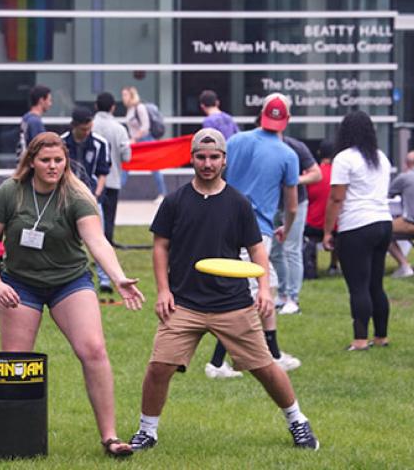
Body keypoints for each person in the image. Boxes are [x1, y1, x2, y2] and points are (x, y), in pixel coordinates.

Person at [128, 128, 319, 452]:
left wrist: (264, 290)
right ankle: (147, 431)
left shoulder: (238, 203)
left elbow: (257, 250)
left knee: (265, 368)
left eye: (214, 157)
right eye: (201, 157)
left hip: (232, 303)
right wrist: (163, 291)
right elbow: (160, 247)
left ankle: (298, 421)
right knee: (159, 367)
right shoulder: (175, 202)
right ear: (192, 159)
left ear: (224, 160)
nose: (207, 163)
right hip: (184, 302)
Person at [0, 132, 144, 458]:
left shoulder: (76, 194)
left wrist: (118, 276)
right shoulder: (11, 192)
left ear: (66, 161)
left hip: (69, 280)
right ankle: (12, 439)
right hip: (20, 283)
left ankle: (110, 438)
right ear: (32, 162)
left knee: (93, 349)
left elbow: (96, 240)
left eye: (58, 160)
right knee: (16, 363)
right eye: (45, 160)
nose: (53, 166)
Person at [205, 93, 301, 379]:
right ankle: (218, 362)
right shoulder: (287, 155)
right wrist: (287, 224)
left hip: (224, 223)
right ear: (288, 119)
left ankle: (272, 353)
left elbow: (214, 176)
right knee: (249, 294)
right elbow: (293, 204)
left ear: (261, 114)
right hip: (257, 230)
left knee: (261, 288)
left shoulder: (235, 141)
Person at [323, 111, 393, 351]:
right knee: (376, 283)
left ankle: (360, 339)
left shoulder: (344, 158)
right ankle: (381, 336)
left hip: (357, 225)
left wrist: (327, 231)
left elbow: (336, 198)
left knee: (358, 285)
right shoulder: (381, 157)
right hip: (383, 222)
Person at [60, 106, 112, 296]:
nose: (87, 132)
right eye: (83, 129)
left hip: (92, 198)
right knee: (66, 237)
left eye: (89, 128)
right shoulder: (62, 142)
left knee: (99, 239)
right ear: (74, 126)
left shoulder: (100, 143)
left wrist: (96, 196)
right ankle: (67, 276)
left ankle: (105, 279)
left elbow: (103, 173)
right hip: (65, 198)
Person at [270, 135, 322, 315]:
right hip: (272, 204)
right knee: (275, 251)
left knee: (291, 248)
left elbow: (317, 174)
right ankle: (282, 295)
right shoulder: (260, 146)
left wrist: (294, 179)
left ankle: (293, 298)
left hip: (296, 202)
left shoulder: (295, 147)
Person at [91, 91, 132, 257]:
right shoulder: (119, 129)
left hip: (91, 180)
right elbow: (126, 156)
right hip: (112, 179)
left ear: (96, 106)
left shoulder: (90, 125)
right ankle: (107, 249)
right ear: (113, 108)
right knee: (108, 216)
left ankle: (94, 248)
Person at [121, 86, 167, 203]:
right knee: (126, 165)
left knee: (154, 167)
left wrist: (134, 139)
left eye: (125, 95)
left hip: (145, 140)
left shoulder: (139, 107)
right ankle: (116, 191)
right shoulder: (130, 109)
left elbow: (145, 127)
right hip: (134, 141)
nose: (123, 98)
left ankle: (162, 194)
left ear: (131, 96)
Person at [303, 139, 339, 278]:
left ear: (318, 153)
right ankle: (334, 265)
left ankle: (311, 266)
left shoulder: (312, 175)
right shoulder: (339, 174)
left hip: (314, 224)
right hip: (337, 225)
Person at [16, 84, 52, 159]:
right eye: (49, 100)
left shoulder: (26, 118)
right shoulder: (35, 122)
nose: (50, 104)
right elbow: (40, 148)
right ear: (41, 100)